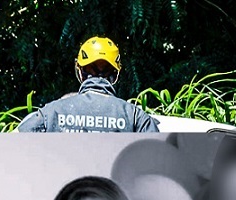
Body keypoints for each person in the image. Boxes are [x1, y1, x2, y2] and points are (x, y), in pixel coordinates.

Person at [17, 36, 159, 133]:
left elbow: (16, 143)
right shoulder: (135, 116)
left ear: (80, 72)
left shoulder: (50, 113)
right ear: (115, 75)